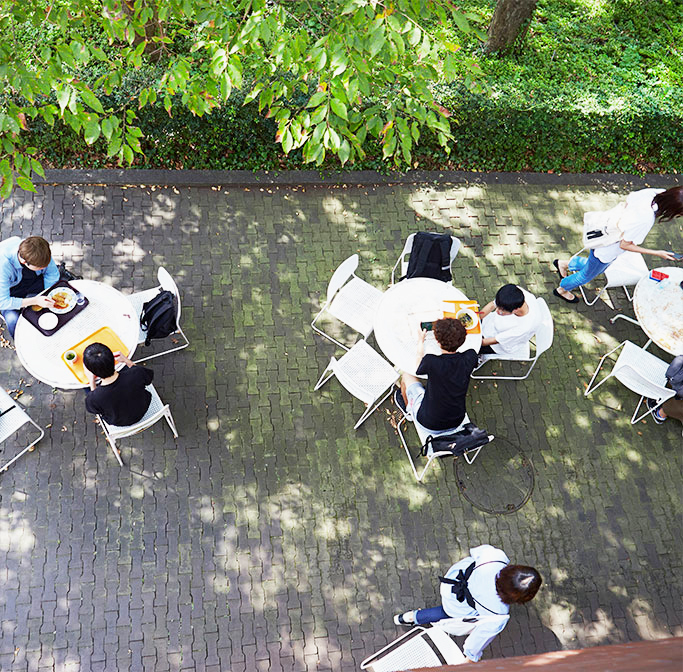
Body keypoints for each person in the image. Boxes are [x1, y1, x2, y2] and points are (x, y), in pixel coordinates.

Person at [393, 544, 542, 663]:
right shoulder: (499, 614)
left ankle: (407, 618)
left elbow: (475, 551)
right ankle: (414, 618)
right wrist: (471, 658)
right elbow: (477, 641)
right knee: (445, 613)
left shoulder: (497, 557)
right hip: (457, 605)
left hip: (451, 583)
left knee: (445, 607)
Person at [552, 186, 683, 303]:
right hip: (606, 249)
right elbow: (624, 245)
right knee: (585, 276)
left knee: (594, 267)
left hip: (602, 233)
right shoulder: (646, 220)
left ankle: (564, 264)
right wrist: (657, 253)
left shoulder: (654, 192)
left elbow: (628, 201)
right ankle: (562, 289)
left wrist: (624, 223)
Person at [397, 318, 477, 436]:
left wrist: (420, 341)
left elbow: (418, 369)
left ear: (438, 342)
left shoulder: (431, 362)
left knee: (406, 375)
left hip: (428, 422)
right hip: (457, 421)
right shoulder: (470, 356)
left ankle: (409, 411)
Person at [0, 236, 59, 337]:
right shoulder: (3, 266)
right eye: (40, 267)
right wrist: (35, 301)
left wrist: (49, 295)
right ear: (24, 262)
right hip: (10, 291)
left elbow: (52, 273)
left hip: (31, 279)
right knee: (13, 321)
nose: (44, 268)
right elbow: (3, 302)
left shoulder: (38, 250)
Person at [83, 343, 154, 426]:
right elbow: (148, 377)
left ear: (93, 372)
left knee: (86, 388)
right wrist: (127, 360)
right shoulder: (136, 373)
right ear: (113, 360)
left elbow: (94, 410)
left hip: (119, 421)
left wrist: (91, 381)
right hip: (143, 407)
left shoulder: (94, 398)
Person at [478, 284, 541, 359]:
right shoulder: (516, 293)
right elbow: (492, 305)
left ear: (516, 310)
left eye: (501, 311)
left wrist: (472, 340)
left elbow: (494, 340)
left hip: (498, 343)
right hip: (491, 324)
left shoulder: (523, 328)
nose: (497, 311)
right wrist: (476, 319)